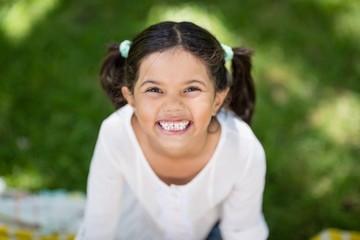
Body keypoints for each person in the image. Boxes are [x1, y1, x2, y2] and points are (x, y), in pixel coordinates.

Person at [76, 21, 268, 240]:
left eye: (191, 89)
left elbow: (242, 232)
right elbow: (98, 228)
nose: (173, 106)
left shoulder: (242, 149)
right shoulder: (115, 135)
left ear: (217, 99)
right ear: (131, 99)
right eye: (155, 89)